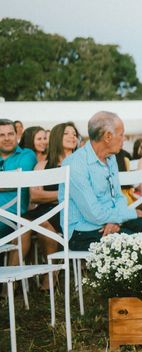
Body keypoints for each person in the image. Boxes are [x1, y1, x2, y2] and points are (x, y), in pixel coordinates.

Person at [59, 112, 142, 251]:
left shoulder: (111, 157)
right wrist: (130, 214)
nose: (124, 139)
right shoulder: (75, 164)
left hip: (110, 220)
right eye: (121, 134)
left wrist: (115, 220)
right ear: (108, 136)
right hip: (83, 230)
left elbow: (118, 196)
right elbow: (93, 213)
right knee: (136, 243)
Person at [25, 122, 79, 288]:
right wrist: (63, 195)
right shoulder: (42, 166)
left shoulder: (80, 165)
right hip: (43, 210)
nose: (72, 136)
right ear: (56, 137)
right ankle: (11, 283)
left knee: (43, 223)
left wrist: (51, 197)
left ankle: (51, 275)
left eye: (74, 134)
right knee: (22, 224)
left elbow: (80, 197)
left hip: (69, 212)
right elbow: (34, 195)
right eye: (67, 133)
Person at [0, 119, 37, 266]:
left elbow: (18, 181)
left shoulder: (27, 155)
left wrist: (10, 181)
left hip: (12, 218)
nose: (7, 138)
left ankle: (7, 288)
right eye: (2, 135)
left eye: (10, 133)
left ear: (17, 135)